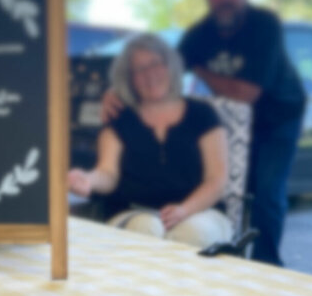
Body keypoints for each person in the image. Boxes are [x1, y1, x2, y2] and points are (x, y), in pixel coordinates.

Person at [104, 0, 306, 265]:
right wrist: (117, 93)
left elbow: (246, 94)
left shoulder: (264, 26)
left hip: (276, 119)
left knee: (265, 192)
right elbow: (159, 68)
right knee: (235, 189)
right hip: (235, 122)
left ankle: (267, 267)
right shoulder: (199, 34)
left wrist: (199, 69)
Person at [68, 33, 232, 248]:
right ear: (128, 78)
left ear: (171, 66)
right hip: (133, 212)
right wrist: (87, 180)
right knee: (145, 230)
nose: (150, 74)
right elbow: (107, 173)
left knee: (193, 234)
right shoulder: (119, 119)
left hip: (200, 211)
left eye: (156, 64)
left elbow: (217, 180)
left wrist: (185, 210)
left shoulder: (203, 114)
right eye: (139, 69)